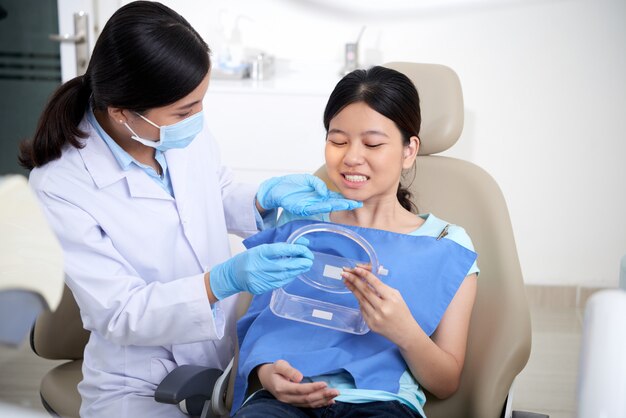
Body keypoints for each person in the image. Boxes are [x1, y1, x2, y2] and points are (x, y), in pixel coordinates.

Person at [17, 2, 360, 417]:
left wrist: (262, 197)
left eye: (199, 102)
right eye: (185, 110)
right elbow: (119, 313)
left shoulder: (172, 129)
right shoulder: (61, 186)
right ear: (122, 112)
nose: (197, 118)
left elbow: (214, 190)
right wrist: (222, 280)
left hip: (225, 351)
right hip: (136, 381)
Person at [231, 66, 480, 418]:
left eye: (373, 143)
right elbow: (260, 323)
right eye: (338, 140)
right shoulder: (299, 226)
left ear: (409, 150)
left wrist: (404, 332)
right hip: (283, 402)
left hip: (382, 403)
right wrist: (265, 374)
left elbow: (446, 382)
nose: (351, 157)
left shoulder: (446, 245)